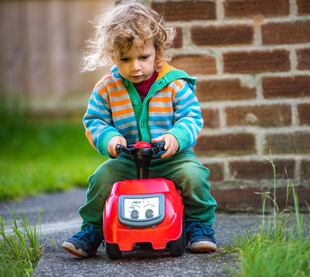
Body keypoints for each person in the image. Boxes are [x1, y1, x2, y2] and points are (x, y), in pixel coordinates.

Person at [62, 1, 217, 258]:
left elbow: (191, 117)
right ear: (113, 55)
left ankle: (199, 226)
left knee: (194, 175)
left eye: (143, 57)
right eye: (125, 59)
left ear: (158, 50)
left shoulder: (175, 84)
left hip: (171, 158)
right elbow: (94, 121)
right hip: (127, 159)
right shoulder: (106, 88)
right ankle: (92, 229)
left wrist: (175, 137)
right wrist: (109, 139)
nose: (135, 66)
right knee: (101, 179)